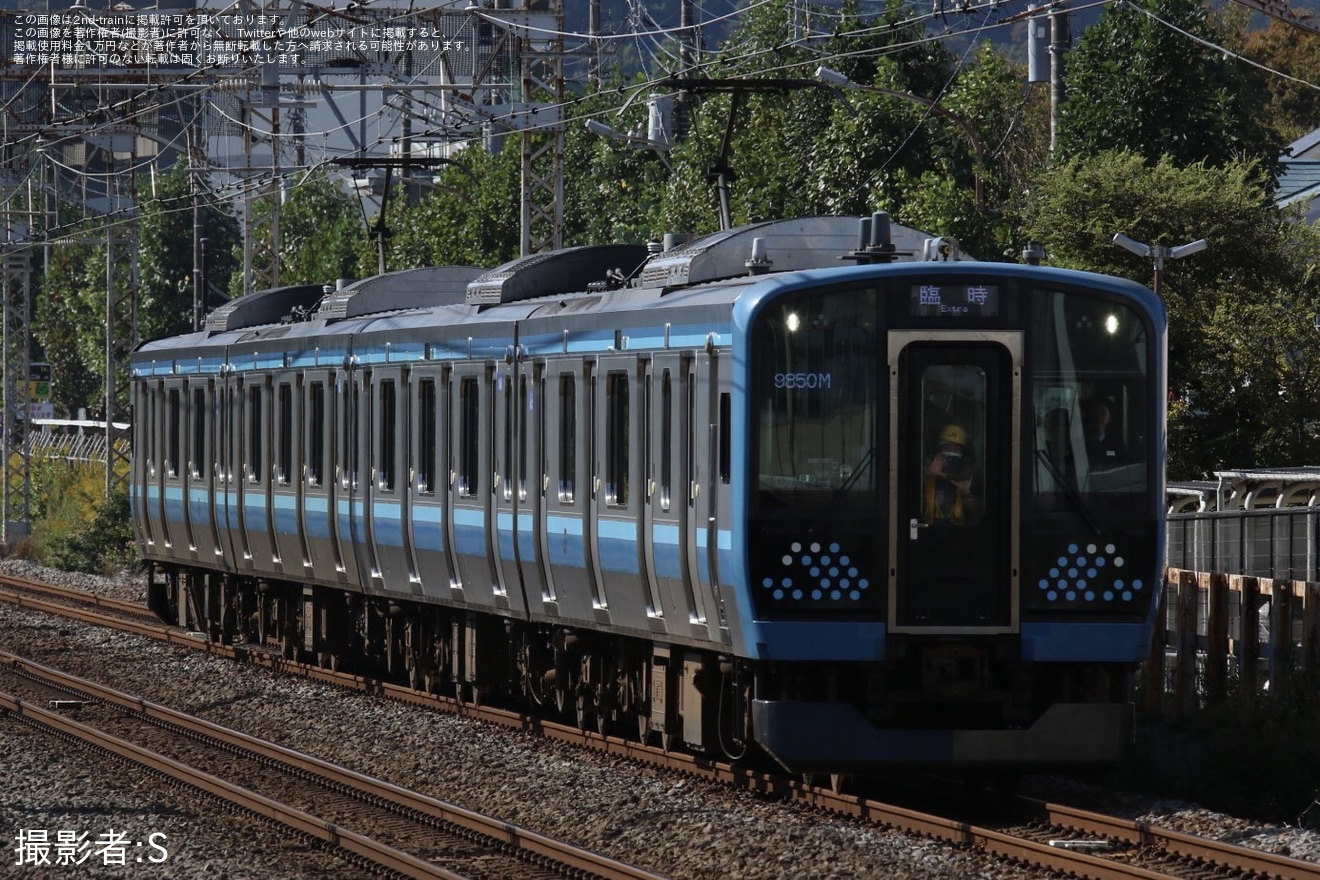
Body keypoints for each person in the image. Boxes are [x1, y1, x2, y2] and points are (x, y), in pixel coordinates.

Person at [924, 423, 975, 524]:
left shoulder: (969, 481)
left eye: (956, 450)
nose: (951, 453)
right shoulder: (927, 478)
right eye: (947, 449)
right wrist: (927, 473)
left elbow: (976, 516)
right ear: (938, 452)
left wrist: (966, 494)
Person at [1082, 399, 1127, 467]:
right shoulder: (1081, 440)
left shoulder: (1116, 441)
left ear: (1110, 418)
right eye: (1096, 412)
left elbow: (1122, 459)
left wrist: (1105, 453)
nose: (1099, 416)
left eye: (1103, 413)